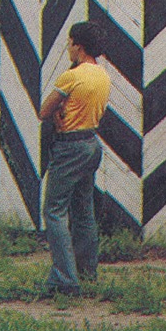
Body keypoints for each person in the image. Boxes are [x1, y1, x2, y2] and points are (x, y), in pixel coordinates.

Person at [36, 20, 110, 296]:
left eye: (69, 43)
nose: (68, 48)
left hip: (69, 147)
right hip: (91, 143)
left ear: (78, 45)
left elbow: (44, 111)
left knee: (54, 211)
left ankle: (65, 279)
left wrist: (56, 113)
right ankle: (87, 272)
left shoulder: (71, 76)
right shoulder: (103, 75)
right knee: (84, 211)